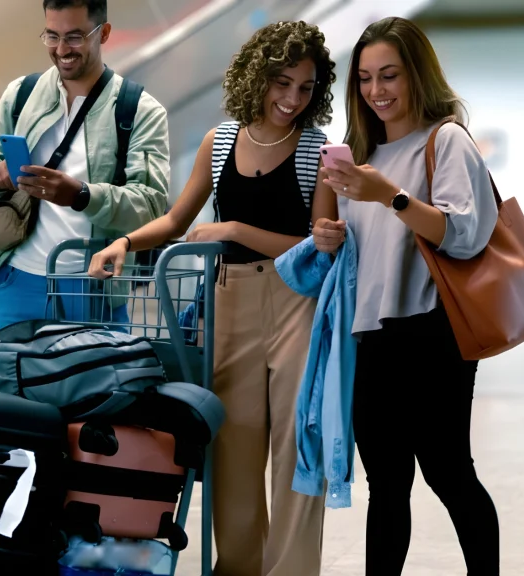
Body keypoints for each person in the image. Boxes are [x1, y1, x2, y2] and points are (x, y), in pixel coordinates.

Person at [89, 21, 340, 576]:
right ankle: (240, 567)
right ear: (258, 76)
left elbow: (316, 245)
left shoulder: (317, 149)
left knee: (298, 447)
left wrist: (233, 232)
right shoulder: (220, 141)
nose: (292, 99)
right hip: (229, 303)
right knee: (235, 448)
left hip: (297, 298)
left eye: (305, 87)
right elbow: (178, 220)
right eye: (282, 83)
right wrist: (124, 242)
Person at [314, 16, 501, 576]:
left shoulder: (446, 141)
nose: (377, 91)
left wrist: (390, 196)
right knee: (387, 484)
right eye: (366, 78)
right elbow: (361, 250)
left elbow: (463, 235)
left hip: (432, 329)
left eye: (390, 75)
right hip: (370, 333)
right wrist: (329, 237)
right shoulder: (359, 153)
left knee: (448, 472)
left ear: (417, 73)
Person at [0, 0, 170, 338]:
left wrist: (81, 195)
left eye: (75, 37)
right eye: (52, 36)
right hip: (17, 281)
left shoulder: (139, 110)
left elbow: (150, 205)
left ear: (103, 33)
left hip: (94, 286)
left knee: (98, 388)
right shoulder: (21, 94)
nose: (62, 49)